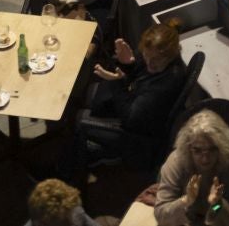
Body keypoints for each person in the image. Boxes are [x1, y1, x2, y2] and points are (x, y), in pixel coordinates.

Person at [68, 22, 189, 174]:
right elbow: (137, 77)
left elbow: (131, 119)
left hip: (138, 135)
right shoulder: (157, 58)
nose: (149, 62)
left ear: (170, 57)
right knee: (90, 93)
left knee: (78, 119)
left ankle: (68, 169)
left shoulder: (167, 82)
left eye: (156, 60)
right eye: (146, 55)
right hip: (135, 104)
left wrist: (117, 82)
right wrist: (127, 64)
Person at [150, 109, 229, 226]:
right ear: (188, 148)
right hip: (186, 216)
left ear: (222, 147)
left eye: (212, 149)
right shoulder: (176, 161)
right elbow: (161, 215)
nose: (205, 159)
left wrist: (217, 204)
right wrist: (186, 200)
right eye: (197, 151)